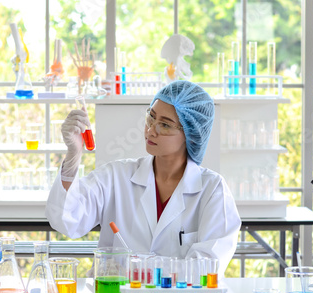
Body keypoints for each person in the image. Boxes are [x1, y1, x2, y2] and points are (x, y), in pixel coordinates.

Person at [46, 80, 241, 273]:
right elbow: (66, 220)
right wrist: (74, 154)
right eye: (151, 117)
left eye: (165, 125)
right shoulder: (116, 176)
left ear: (191, 134)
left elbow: (207, 269)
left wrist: (140, 266)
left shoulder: (212, 190)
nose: (151, 130)